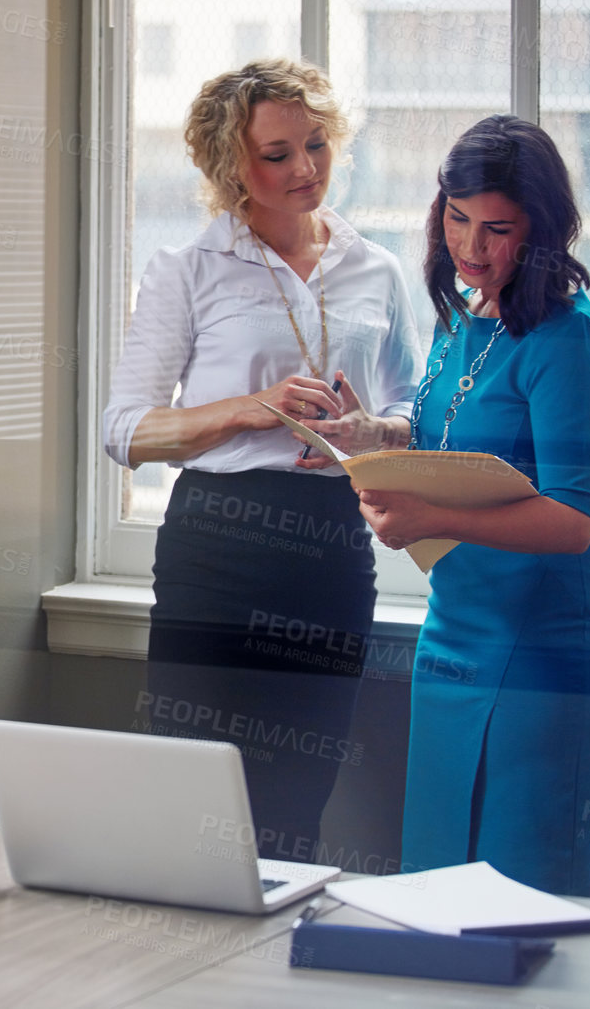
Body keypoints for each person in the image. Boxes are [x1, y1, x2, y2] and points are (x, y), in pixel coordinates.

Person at [104, 59, 423, 861]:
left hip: (331, 548)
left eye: (315, 144)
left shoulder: (376, 269)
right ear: (229, 167)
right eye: (276, 154)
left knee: (296, 799)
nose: (305, 168)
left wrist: (368, 433)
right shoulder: (187, 269)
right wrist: (251, 410)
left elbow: (416, 416)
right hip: (215, 544)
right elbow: (126, 430)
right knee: (193, 792)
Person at [354, 114, 590, 896]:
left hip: (548, 642)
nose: (471, 247)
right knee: (435, 874)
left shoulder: (569, 339)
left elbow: (573, 522)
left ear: (541, 230)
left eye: (497, 229)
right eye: (457, 217)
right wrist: (372, 431)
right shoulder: (465, 311)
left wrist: (434, 520)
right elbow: (451, 433)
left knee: (518, 889)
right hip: (457, 630)